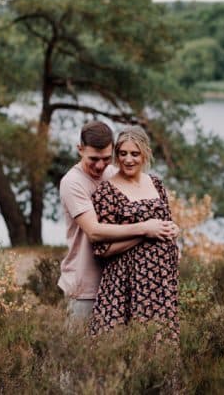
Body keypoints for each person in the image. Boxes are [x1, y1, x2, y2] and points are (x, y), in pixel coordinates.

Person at [57, 120, 178, 321]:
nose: (100, 165)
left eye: (106, 158)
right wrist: (145, 230)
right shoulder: (73, 183)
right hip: (85, 285)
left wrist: (169, 230)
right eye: (93, 159)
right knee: (79, 350)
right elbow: (94, 231)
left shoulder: (113, 173)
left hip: (121, 283)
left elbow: (147, 205)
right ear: (80, 150)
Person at [89, 126, 180, 341]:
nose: (128, 160)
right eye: (123, 154)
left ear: (145, 154)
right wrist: (145, 232)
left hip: (162, 283)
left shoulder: (156, 183)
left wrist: (173, 229)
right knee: (124, 347)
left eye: (135, 154)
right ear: (116, 156)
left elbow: (164, 223)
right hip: (125, 284)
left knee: (161, 345)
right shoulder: (106, 191)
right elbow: (102, 249)